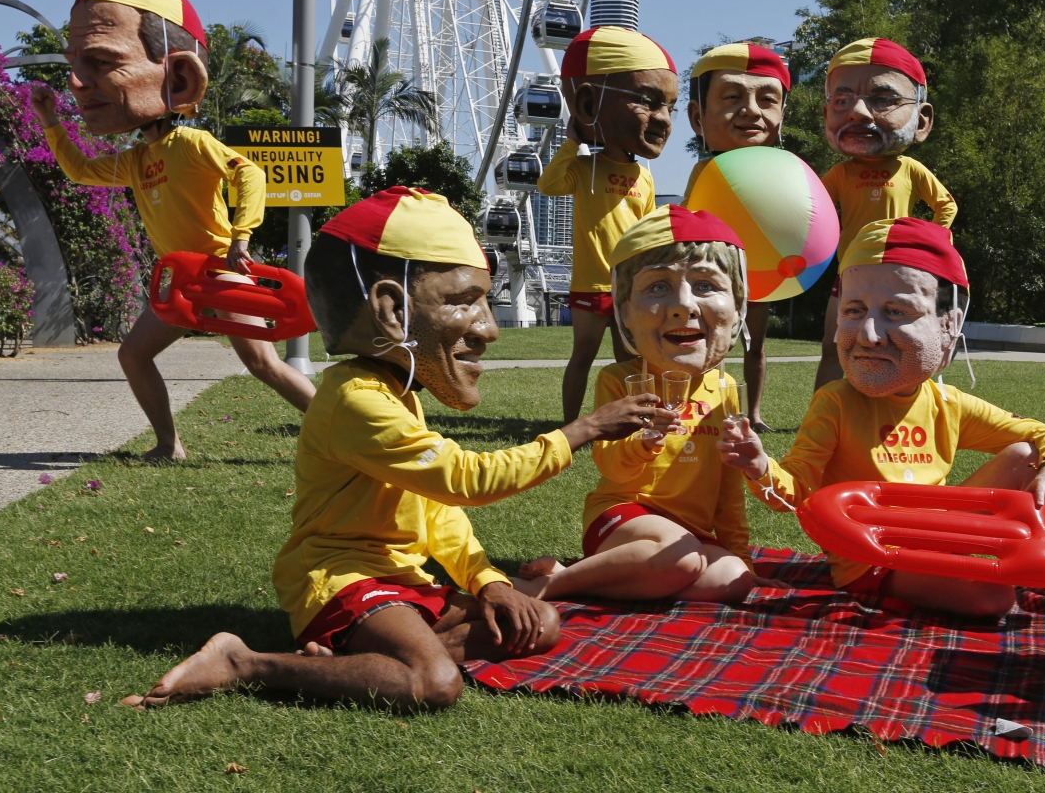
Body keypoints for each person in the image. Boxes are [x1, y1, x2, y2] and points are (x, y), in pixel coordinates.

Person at [121, 187, 659, 711]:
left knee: (537, 624)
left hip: (404, 582)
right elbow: (463, 479)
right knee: (434, 682)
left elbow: (437, 510)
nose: (489, 329)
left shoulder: (399, 394)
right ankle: (248, 663)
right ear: (390, 310)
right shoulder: (354, 400)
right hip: (343, 581)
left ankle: (350, 659)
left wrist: (488, 580)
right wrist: (581, 429)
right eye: (464, 302)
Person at [719, 217, 1045, 618]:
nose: (869, 333)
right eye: (854, 310)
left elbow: (1044, 433)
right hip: (872, 557)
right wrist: (760, 466)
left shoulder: (947, 403)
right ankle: (1026, 562)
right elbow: (796, 496)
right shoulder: (835, 402)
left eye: (896, 311)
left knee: (1027, 454)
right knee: (991, 599)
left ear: (948, 326)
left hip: (936, 534)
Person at [29, 0, 315, 461]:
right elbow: (77, 171)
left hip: (220, 273)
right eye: (76, 65)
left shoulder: (192, 143)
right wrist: (51, 121)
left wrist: (241, 238)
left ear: (179, 79)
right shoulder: (136, 161)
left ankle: (351, 432)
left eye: (99, 62)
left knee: (262, 363)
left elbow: (250, 175)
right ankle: (169, 445)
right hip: (179, 281)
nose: (79, 81)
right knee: (133, 355)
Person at [517, 206, 787, 604]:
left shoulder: (726, 388)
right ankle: (552, 584)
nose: (683, 306)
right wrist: (643, 443)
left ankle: (617, 577)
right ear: (625, 310)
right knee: (681, 556)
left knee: (731, 580)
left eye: (706, 286)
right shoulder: (619, 380)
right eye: (658, 287)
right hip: (621, 518)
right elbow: (611, 466)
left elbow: (729, 491)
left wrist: (742, 557)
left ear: (738, 304)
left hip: (688, 536)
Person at [538, 25, 679, 423]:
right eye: (649, 102)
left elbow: (650, 233)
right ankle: (570, 423)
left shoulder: (646, 178)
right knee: (581, 357)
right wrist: (572, 142)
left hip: (628, 286)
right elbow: (548, 186)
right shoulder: (584, 168)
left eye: (669, 108)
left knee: (630, 361)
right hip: (588, 283)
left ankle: (633, 420)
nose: (663, 120)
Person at [813, 37, 957, 391]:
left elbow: (946, 205)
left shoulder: (909, 168)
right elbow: (810, 209)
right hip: (851, 273)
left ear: (922, 121)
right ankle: (822, 413)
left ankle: (898, 414)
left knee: (906, 350)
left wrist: (929, 247)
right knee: (834, 345)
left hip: (898, 275)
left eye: (883, 100)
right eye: (842, 101)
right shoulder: (840, 174)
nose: (859, 113)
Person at [682, 42, 791, 432]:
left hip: (761, 270)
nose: (750, 110)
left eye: (767, 99)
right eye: (731, 97)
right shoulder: (704, 171)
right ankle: (716, 408)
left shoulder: (784, 169)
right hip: (715, 271)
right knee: (714, 344)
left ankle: (754, 412)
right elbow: (690, 220)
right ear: (698, 116)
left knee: (755, 344)